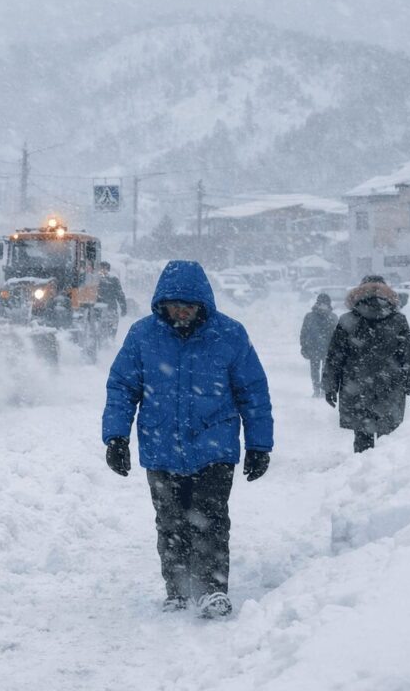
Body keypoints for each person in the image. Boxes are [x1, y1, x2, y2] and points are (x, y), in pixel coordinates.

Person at [101, 260, 273, 619]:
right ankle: (178, 590)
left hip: (215, 446)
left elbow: (252, 392)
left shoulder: (229, 335)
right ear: (161, 303)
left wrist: (259, 444)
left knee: (211, 518)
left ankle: (211, 590)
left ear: (203, 305)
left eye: (189, 305)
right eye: (174, 305)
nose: (181, 312)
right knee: (171, 522)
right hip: (160, 447)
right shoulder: (143, 336)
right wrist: (116, 437)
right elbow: (122, 387)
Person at [322, 275, 410, 453]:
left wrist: (330, 386)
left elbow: (335, 357)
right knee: (389, 440)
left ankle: (362, 471)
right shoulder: (397, 320)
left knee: (362, 436)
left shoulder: (348, 320)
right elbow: (409, 356)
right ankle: (385, 475)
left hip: (356, 387)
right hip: (390, 386)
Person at [300, 293, 338, 397]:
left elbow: (337, 335)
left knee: (325, 371)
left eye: (325, 304)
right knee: (315, 370)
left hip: (327, 349)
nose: (323, 306)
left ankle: (323, 390)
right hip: (314, 348)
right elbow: (304, 333)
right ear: (317, 303)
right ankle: (317, 390)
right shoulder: (310, 317)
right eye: (321, 303)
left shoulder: (333, 318)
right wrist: (303, 346)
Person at [97, 261, 129, 338]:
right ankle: (108, 340)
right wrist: (123, 308)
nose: (103, 270)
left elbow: (120, 295)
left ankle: (109, 340)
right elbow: (120, 295)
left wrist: (123, 308)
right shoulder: (111, 279)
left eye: (104, 268)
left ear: (108, 269)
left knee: (110, 326)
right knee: (110, 327)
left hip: (107, 309)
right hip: (104, 309)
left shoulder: (112, 279)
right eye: (101, 268)